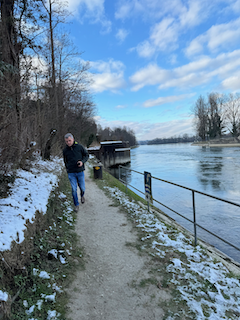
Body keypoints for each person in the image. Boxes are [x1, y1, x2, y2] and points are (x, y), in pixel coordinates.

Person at [63, 133, 89, 212]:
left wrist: (82, 162)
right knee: (74, 189)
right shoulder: (65, 150)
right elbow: (65, 161)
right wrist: (67, 168)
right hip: (71, 173)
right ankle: (76, 205)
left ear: (73, 140)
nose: (68, 143)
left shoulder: (80, 147)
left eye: (69, 141)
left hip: (80, 171)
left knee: (82, 188)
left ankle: (82, 195)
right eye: (67, 141)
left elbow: (86, 155)